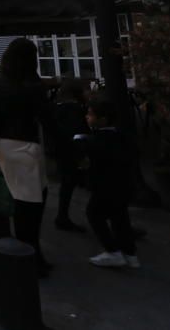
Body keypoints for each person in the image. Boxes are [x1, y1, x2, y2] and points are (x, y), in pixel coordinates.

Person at [0, 37, 53, 276]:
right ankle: (29, 258)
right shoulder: (31, 85)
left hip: (1, 143)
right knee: (31, 203)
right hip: (24, 145)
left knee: (25, 198)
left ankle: (29, 253)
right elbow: (47, 117)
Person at [80, 95, 139, 268]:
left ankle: (112, 251)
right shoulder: (121, 136)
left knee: (94, 213)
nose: (87, 117)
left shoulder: (95, 140)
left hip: (104, 186)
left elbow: (90, 163)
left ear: (102, 119)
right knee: (120, 217)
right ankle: (130, 253)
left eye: (90, 115)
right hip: (123, 185)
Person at [52, 78, 89, 232]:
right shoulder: (75, 110)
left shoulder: (57, 108)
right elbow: (77, 133)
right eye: (87, 89)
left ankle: (62, 216)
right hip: (73, 154)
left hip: (62, 152)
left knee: (67, 185)